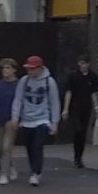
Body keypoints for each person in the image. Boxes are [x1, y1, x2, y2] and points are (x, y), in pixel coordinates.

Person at [15, 55, 61, 186]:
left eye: (33, 69)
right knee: (29, 146)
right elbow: (18, 100)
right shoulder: (24, 81)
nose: (30, 72)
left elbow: (54, 103)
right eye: (28, 69)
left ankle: (36, 172)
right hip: (26, 120)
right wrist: (15, 117)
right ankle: (34, 169)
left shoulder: (49, 82)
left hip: (42, 120)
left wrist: (54, 123)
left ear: (40, 68)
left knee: (37, 146)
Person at [62, 56, 98, 169]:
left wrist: (97, 109)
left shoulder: (93, 77)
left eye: (86, 63)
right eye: (82, 63)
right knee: (77, 130)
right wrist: (66, 109)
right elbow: (69, 93)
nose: (84, 65)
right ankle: (76, 156)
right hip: (75, 108)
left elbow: (93, 94)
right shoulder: (73, 76)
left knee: (82, 133)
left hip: (86, 108)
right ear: (79, 63)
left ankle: (79, 158)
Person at [0, 59, 22, 184]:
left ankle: (4, 174)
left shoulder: (19, 84)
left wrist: (18, 119)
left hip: (11, 119)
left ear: (14, 69)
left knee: (7, 146)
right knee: (0, 147)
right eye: (3, 68)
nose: (5, 70)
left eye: (8, 68)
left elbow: (21, 103)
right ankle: (10, 165)